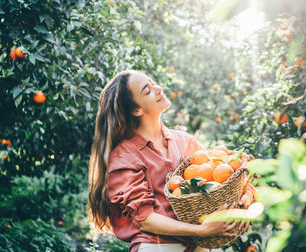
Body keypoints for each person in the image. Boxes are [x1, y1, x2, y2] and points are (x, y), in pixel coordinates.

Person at [88, 70, 254, 252]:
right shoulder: (124, 157)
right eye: (147, 90)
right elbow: (145, 219)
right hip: (158, 246)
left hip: (199, 246)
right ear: (136, 110)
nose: (158, 89)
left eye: (153, 83)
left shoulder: (184, 141)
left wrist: (243, 205)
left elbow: (221, 179)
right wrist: (200, 230)